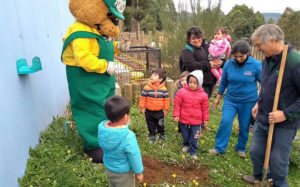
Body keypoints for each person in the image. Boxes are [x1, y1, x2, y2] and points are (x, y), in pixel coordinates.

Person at [242, 24, 300, 187]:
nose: (257, 49)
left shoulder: (294, 61)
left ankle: (279, 183)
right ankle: (258, 175)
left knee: (278, 159)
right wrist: (258, 103)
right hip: (264, 115)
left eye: (259, 45)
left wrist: (285, 113)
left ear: (273, 40)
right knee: (255, 151)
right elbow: (267, 86)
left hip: (285, 123)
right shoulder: (268, 60)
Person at [209, 40, 262, 158]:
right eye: (236, 56)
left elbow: (265, 84)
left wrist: (259, 102)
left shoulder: (256, 65)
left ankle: (241, 148)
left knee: (244, 125)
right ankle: (219, 147)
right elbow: (224, 81)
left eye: (241, 56)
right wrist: (218, 97)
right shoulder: (228, 64)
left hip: (248, 101)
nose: (238, 59)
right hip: (231, 99)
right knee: (225, 121)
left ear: (247, 53)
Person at [98, 96, 144, 187]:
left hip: (110, 169)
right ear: (125, 117)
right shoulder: (128, 136)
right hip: (124, 174)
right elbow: (134, 156)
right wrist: (138, 172)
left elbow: (116, 129)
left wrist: (124, 123)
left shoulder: (103, 130)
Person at [173, 70, 209, 160]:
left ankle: (193, 152)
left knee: (195, 137)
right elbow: (177, 104)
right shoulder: (181, 92)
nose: (192, 84)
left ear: (200, 83)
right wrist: (176, 115)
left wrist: (205, 119)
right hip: (184, 119)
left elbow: (205, 109)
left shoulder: (203, 95)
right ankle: (186, 145)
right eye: (190, 82)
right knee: (185, 135)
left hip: (196, 122)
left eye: (194, 83)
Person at [179, 26, 222, 98]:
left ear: (202, 37)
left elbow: (219, 55)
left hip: (210, 81)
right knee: (197, 104)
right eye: (193, 39)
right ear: (189, 39)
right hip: (197, 83)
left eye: (198, 38)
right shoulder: (187, 51)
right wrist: (209, 64)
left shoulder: (208, 45)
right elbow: (191, 66)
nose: (196, 40)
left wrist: (221, 62)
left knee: (205, 103)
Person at [139, 68, 170, 143]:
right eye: (152, 75)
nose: (152, 76)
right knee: (150, 124)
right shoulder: (146, 88)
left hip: (159, 112)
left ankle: (161, 134)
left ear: (160, 79)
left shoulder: (164, 89)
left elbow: (166, 100)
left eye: (155, 75)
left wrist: (166, 109)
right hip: (149, 112)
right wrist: (142, 107)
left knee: (160, 124)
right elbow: (142, 98)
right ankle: (152, 135)